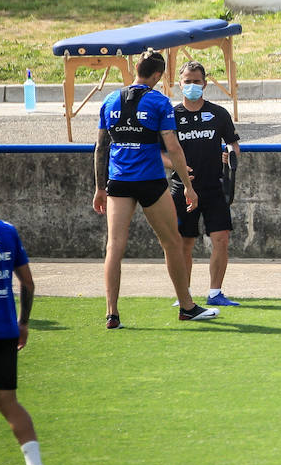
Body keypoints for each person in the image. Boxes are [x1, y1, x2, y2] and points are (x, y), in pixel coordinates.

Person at [93, 50, 219, 329]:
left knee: (114, 245)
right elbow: (172, 147)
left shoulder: (110, 99)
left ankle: (111, 313)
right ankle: (186, 307)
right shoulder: (159, 102)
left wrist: (99, 188)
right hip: (150, 181)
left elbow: (101, 147)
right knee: (171, 242)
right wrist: (188, 187)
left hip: (119, 182)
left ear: (136, 68)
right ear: (158, 75)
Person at [165, 61, 241, 308]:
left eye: (196, 81)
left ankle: (215, 292)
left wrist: (231, 155)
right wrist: (175, 166)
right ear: (179, 84)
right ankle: (183, 296)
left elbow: (233, 143)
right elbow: (158, 153)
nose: (192, 86)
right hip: (182, 189)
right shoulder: (171, 116)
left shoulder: (219, 114)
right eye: (187, 81)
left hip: (214, 187)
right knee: (184, 242)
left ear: (205, 84)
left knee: (221, 238)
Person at [0, 214, 47, 465]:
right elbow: (29, 284)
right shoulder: (6, 230)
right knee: (6, 401)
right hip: (4, 332)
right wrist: (23, 322)